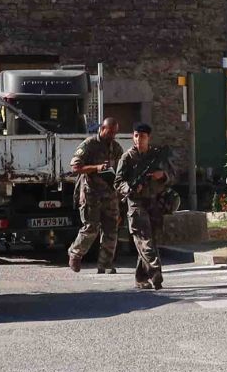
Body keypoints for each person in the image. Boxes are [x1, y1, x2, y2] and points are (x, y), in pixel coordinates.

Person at [116, 123, 174, 290]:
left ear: (148, 138)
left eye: (142, 136)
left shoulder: (157, 155)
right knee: (144, 239)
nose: (138, 139)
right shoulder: (127, 158)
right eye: (135, 136)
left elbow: (173, 175)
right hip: (136, 203)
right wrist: (130, 188)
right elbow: (118, 182)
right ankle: (155, 271)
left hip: (154, 202)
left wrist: (162, 175)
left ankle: (141, 278)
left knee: (152, 241)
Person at [67, 117, 123, 275]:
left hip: (110, 194)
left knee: (111, 229)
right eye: (110, 131)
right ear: (102, 129)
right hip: (92, 193)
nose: (112, 135)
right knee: (91, 228)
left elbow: (121, 169)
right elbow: (75, 167)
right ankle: (75, 253)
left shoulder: (116, 148)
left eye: (115, 132)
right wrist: (96, 168)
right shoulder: (89, 145)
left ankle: (105, 263)